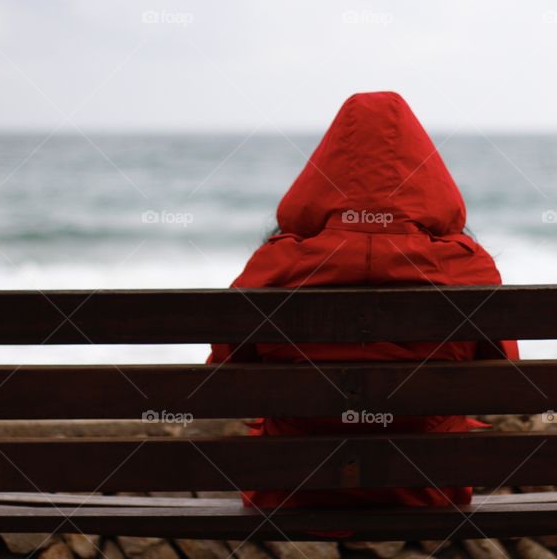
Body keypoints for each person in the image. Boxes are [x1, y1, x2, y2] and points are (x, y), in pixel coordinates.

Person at [209, 91, 518, 509]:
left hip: (292, 490)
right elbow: (503, 380)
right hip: (429, 488)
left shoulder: (273, 266)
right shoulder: (468, 268)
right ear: (428, 172)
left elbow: (227, 376)